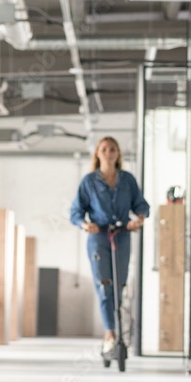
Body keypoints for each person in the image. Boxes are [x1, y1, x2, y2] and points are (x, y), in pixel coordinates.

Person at [69, 137, 150, 355]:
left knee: (119, 286)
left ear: (118, 154)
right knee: (104, 287)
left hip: (122, 236)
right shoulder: (89, 182)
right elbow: (76, 212)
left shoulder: (128, 180)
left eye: (113, 149)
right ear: (97, 153)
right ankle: (110, 333)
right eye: (104, 149)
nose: (109, 153)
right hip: (99, 237)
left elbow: (140, 204)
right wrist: (86, 225)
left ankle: (117, 330)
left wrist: (138, 219)